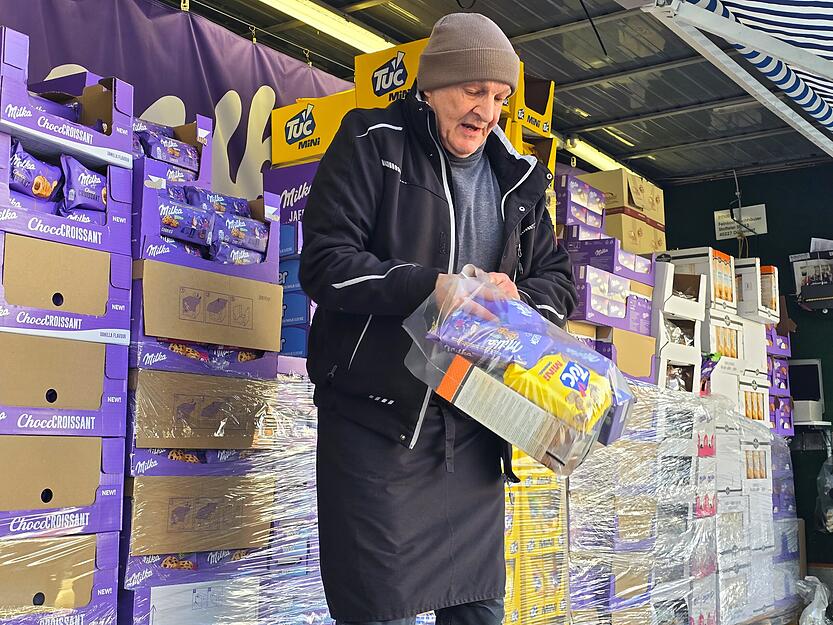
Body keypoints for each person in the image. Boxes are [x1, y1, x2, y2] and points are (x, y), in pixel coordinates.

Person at [299, 12, 577, 625]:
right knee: (380, 610)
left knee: (478, 610)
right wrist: (435, 288)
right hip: (378, 426)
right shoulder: (372, 142)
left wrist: (518, 303)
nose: (487, 111)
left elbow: (560, 280)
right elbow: (325, 263)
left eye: (499, 97)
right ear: (432, 86)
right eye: (473, 91)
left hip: (475, 428)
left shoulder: (519, 179)